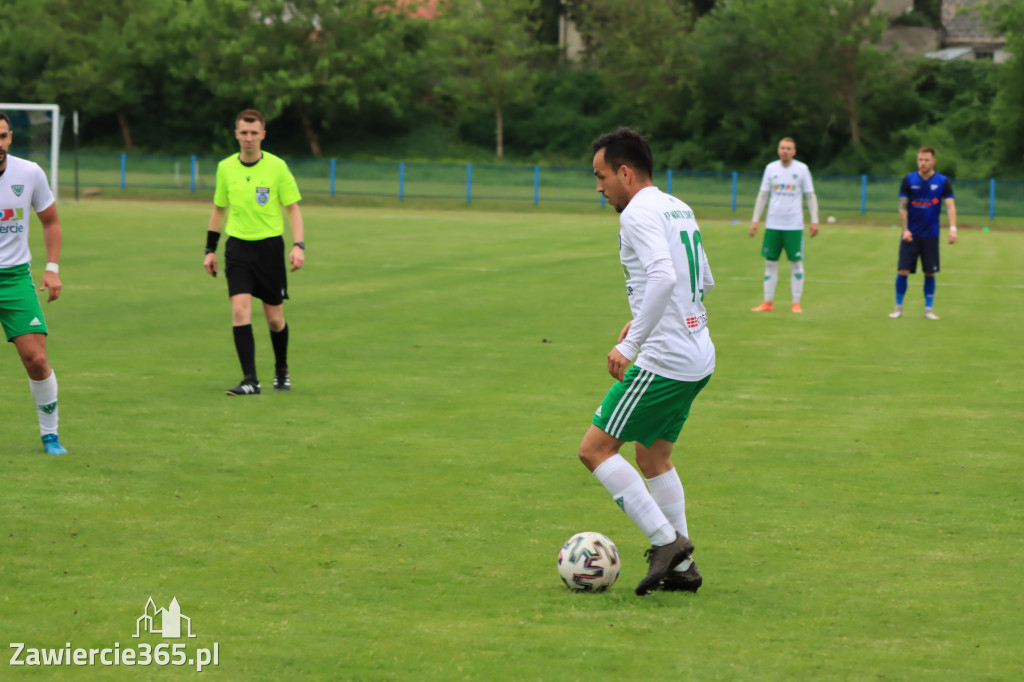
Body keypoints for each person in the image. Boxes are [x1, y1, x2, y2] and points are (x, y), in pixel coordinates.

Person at [580, 127, 716, 596]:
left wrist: (633, 341)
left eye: (601, 177)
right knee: (653, 456)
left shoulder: (637, 212)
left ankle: (666, 543)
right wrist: (640, 318)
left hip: (665, 358)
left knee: (595, 450)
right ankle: (683, 571)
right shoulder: (676, 205)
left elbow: (662, 275)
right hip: (698, 353)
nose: (599, 188)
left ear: (625, 172)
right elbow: (701, 281)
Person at [203, 109, 305, 395]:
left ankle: (281, 369)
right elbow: (219, 209)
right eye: (243, 133)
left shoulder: (277, 167)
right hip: (237, 248)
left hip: (270, 249)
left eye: (254, 132)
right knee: (239, 309)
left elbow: (293, 208)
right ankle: (250, 380)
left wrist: (299, 245)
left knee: (274, 318)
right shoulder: (225, 168)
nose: (248, 138)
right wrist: (210, 249)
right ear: (236, 134)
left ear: (263, 134)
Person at [0, 112, 67, 454]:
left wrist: (51, 267)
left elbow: (51, 221)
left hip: (13, 279)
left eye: (2, 136)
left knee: (37, 360)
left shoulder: (29, 173)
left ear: (10, 137)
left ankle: (50, 434)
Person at [748, 137, 819, 313]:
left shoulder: (802, 169)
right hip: (773, 224)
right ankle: (767, 303)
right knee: (770, 263)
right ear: (778, 150)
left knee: (796, 263)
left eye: (788, 148)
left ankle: (796, 303)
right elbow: (763, 195)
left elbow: (810, 195)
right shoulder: (771, 168)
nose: (785, 150)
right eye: (782, 147)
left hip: (794, 225)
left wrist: (815, 220)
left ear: (794, 151)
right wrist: (755, 220)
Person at [890, 146, 957, 320]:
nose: (923, 163)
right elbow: (903, 207)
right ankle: (898, 308)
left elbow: (950, 206)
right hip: (910, 235)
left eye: (926, 160)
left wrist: (953, 229)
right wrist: (905, 230)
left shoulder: (943, 181)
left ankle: (928, 310)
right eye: (920, 159)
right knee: (903, 270)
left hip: (931, 235)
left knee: (929, 272)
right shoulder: (908, 180)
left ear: (933, 161)